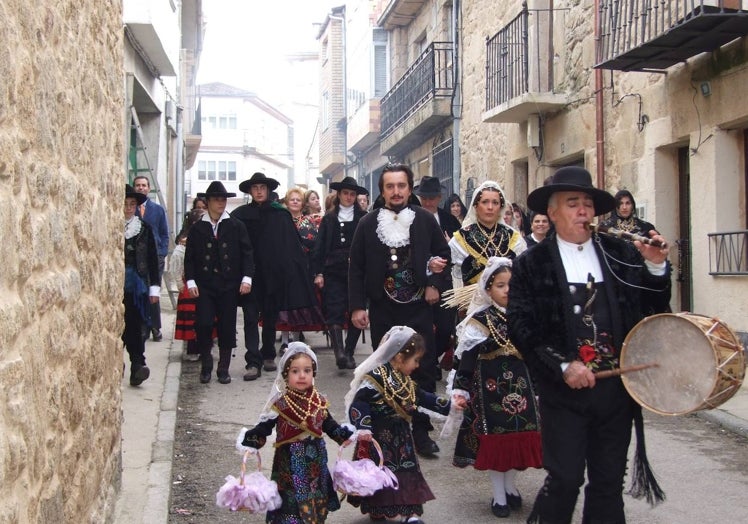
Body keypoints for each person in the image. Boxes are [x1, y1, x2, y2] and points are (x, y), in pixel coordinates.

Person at [507, 166, 671, 524]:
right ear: (551, 212)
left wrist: (656, 268)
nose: (582, 211)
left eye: (587, 204)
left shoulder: (620, 254)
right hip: (564, 393)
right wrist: (563, 366)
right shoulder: (531, 264)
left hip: (616, 393)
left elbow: (653, 307)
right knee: (564, 479)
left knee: (608, 483)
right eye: (572, 203)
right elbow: (520, 326)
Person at [348, 163, 451, 457]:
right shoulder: (368, 224)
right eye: (390, 186)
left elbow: (443, 256)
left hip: (418, 307)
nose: (396, 192)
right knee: (386, 370)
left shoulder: (424, 219)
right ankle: (390, 430)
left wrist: (434, 283)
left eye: (401, 186)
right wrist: (357, 306)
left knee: (423, 367)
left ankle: (420, 430)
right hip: (383, 309)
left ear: (409, 188)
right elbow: (356, 268)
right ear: (382, 190)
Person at [449, 257, 542, 519]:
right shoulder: (480, 320)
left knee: (519, 439)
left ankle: (510, 486)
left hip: (521, 388)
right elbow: (467, 359)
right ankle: (499, 495)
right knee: (497, 442)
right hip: (491, 390)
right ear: (488, 289)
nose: (507, 290)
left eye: (511, 285)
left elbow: (534, 355)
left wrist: (538, 386)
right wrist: (461, 389)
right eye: (500, 285)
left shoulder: (524, 318)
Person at [345, 326, 452, 524]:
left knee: (407, 472)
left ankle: (411, 514)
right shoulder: (375, 378)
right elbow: (359, 403)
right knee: (380, 472)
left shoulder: (406, 381)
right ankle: (378, 507)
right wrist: (363, 427)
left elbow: (424, 398)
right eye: (416, 360)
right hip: (379, 439)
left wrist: (450, 406)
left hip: (403, 439)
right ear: (400, 357)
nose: (417, 365)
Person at [237, 343, 353, 524]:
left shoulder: (319, 401)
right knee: (291, 498)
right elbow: (264, 427)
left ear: (313, 373)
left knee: (315, 494)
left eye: (307, 370)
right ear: (286, 374)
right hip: (289, 462)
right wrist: (252, 440)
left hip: (315, 459)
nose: (302, 375)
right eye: (295, 371)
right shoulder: (281, 404)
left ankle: (315, 518)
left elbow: (329, 425)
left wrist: (344, 434)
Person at [231, 172, 319, 381]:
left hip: (273, 275)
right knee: (250, 317)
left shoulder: (280, 214)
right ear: (250, 191)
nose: (259, 191)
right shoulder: (240, 215)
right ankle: (253, 361)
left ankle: (268, 353)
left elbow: (291, 245)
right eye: (255, 188)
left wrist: (292, 272)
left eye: (262, 187)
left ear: (268, 190)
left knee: (270, 316)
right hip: (249, 275)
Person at [184, 181, 254, 384]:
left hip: (228, 284)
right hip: (205, 284)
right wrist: (190, 281)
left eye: (223, 199)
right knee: (204, 323)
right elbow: (190, 258)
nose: (221, 203)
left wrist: (246, 278)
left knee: (227, 326)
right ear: (207, 202)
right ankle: (206, 364)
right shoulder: (198, 228)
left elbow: (247, 254)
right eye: (216, 199)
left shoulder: (235, 225)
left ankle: (223, 368)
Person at [312, 176, 368, 369]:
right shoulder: (329, 218)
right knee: (334, 309)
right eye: (346, 193)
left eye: (353, 194)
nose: (349, 197)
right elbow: (319, 247)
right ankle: (339, 353)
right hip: (333, 271)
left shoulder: (363, 217)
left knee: (356, 308)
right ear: (339, 194)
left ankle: (350, 351)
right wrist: (318, 273)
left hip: (357, 272)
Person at [414, 176, 462, 371]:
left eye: (432, 198)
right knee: (422, 326)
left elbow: (459, 249)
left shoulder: (450, 220)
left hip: (444, 279)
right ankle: (427, 364)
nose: (427, 202)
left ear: (439, 198)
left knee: (445, 327)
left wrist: (449, 243)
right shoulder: (412, 217)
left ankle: (432, 358)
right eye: (424, 198)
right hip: (419, 278)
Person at [276, 187, 325, 352]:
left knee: (300, 305)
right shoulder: (281, 219)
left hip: (304, 269)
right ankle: (284, 341)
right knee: (283, 306)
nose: (295, 202)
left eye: (298, 199)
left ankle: (296, 341)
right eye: (292, 199)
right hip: (284, 269)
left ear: (302, 203)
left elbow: (316, 246)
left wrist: (316, 271)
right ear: (287, 202)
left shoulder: (309, 221)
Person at [450, 180, 526, 286]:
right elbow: (454, 277)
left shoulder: (513, 237)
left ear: (501, 207)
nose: (490, 207)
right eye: (485, 202)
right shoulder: (461, 238)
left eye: (495, 202)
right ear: (476, 206)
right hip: (472, 300)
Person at [123, 184, 160, 386]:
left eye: (132, 204)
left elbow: (152, 258)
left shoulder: (144, 228)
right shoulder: (112, 227)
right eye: (125, 204)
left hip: (136, 286)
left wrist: (154, 286)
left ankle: (137, 365)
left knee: (135, 326)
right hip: (116, 284)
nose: (128, 208)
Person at [133, 175, 169, 342]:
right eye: (138, 185)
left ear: (149, 188)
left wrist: (161, 253)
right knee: (140, 291)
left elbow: (164, 233)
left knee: (153, 290)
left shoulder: (157, 210)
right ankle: (142, 326)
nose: (141, 188)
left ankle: (155, 326)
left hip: (155, 257)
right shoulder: (130, 209)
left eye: (144, 185)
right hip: (137, 258)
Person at [170, 208, 206, 362]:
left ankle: (205, 347)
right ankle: (192, 349)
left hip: (205, 284)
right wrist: (179, 284)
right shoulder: (183, 244)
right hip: (188, 285)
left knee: (205, 318)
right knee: (191, 319)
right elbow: (176, 265)